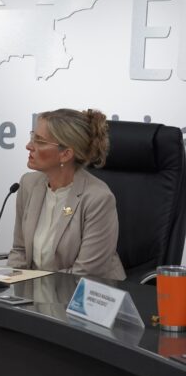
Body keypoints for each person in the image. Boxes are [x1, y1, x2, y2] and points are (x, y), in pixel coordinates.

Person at [8, 109, 125, 280]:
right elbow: (20, 251)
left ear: (65, 154)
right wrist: (11, 285)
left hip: (84, 292)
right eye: (33, 136)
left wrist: (33, 286)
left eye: (39, 141)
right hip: (36, 291)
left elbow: (86, 273)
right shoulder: (28, 184)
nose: (29, 146)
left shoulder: (98, 198)